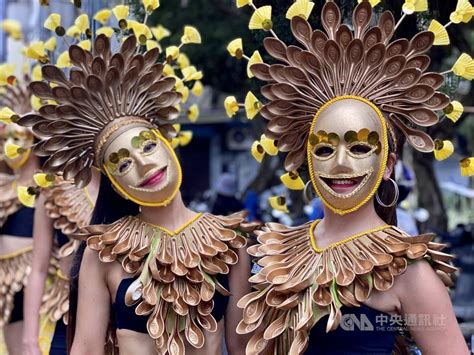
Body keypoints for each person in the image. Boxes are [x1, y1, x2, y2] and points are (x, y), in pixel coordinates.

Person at [229, 1, 471, 353]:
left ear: (388, 164)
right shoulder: (275, 251)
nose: (340, 163)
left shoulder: (408, 269)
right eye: (324, 149)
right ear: (307, 160)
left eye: (359, 148)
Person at [17, 25, 257, 355]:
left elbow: (243, 348)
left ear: (167, 144)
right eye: (123, 164)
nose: (143, 165)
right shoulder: (103, 253)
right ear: (114, 181)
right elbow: (86, 348)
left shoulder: (229, 245)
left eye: (146, 147)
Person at [22, 172, 100, 355]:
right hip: (66, 311)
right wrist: (29, 339)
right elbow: (38, 269)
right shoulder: (53, 187)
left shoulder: (130, 186)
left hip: (119, 311)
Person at [0, 79, 40, 355]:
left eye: (17, 138)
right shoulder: (1, 185)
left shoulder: (53, 189)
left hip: (43, 283)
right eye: (4, 140)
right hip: (4, 285)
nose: (9, 147)